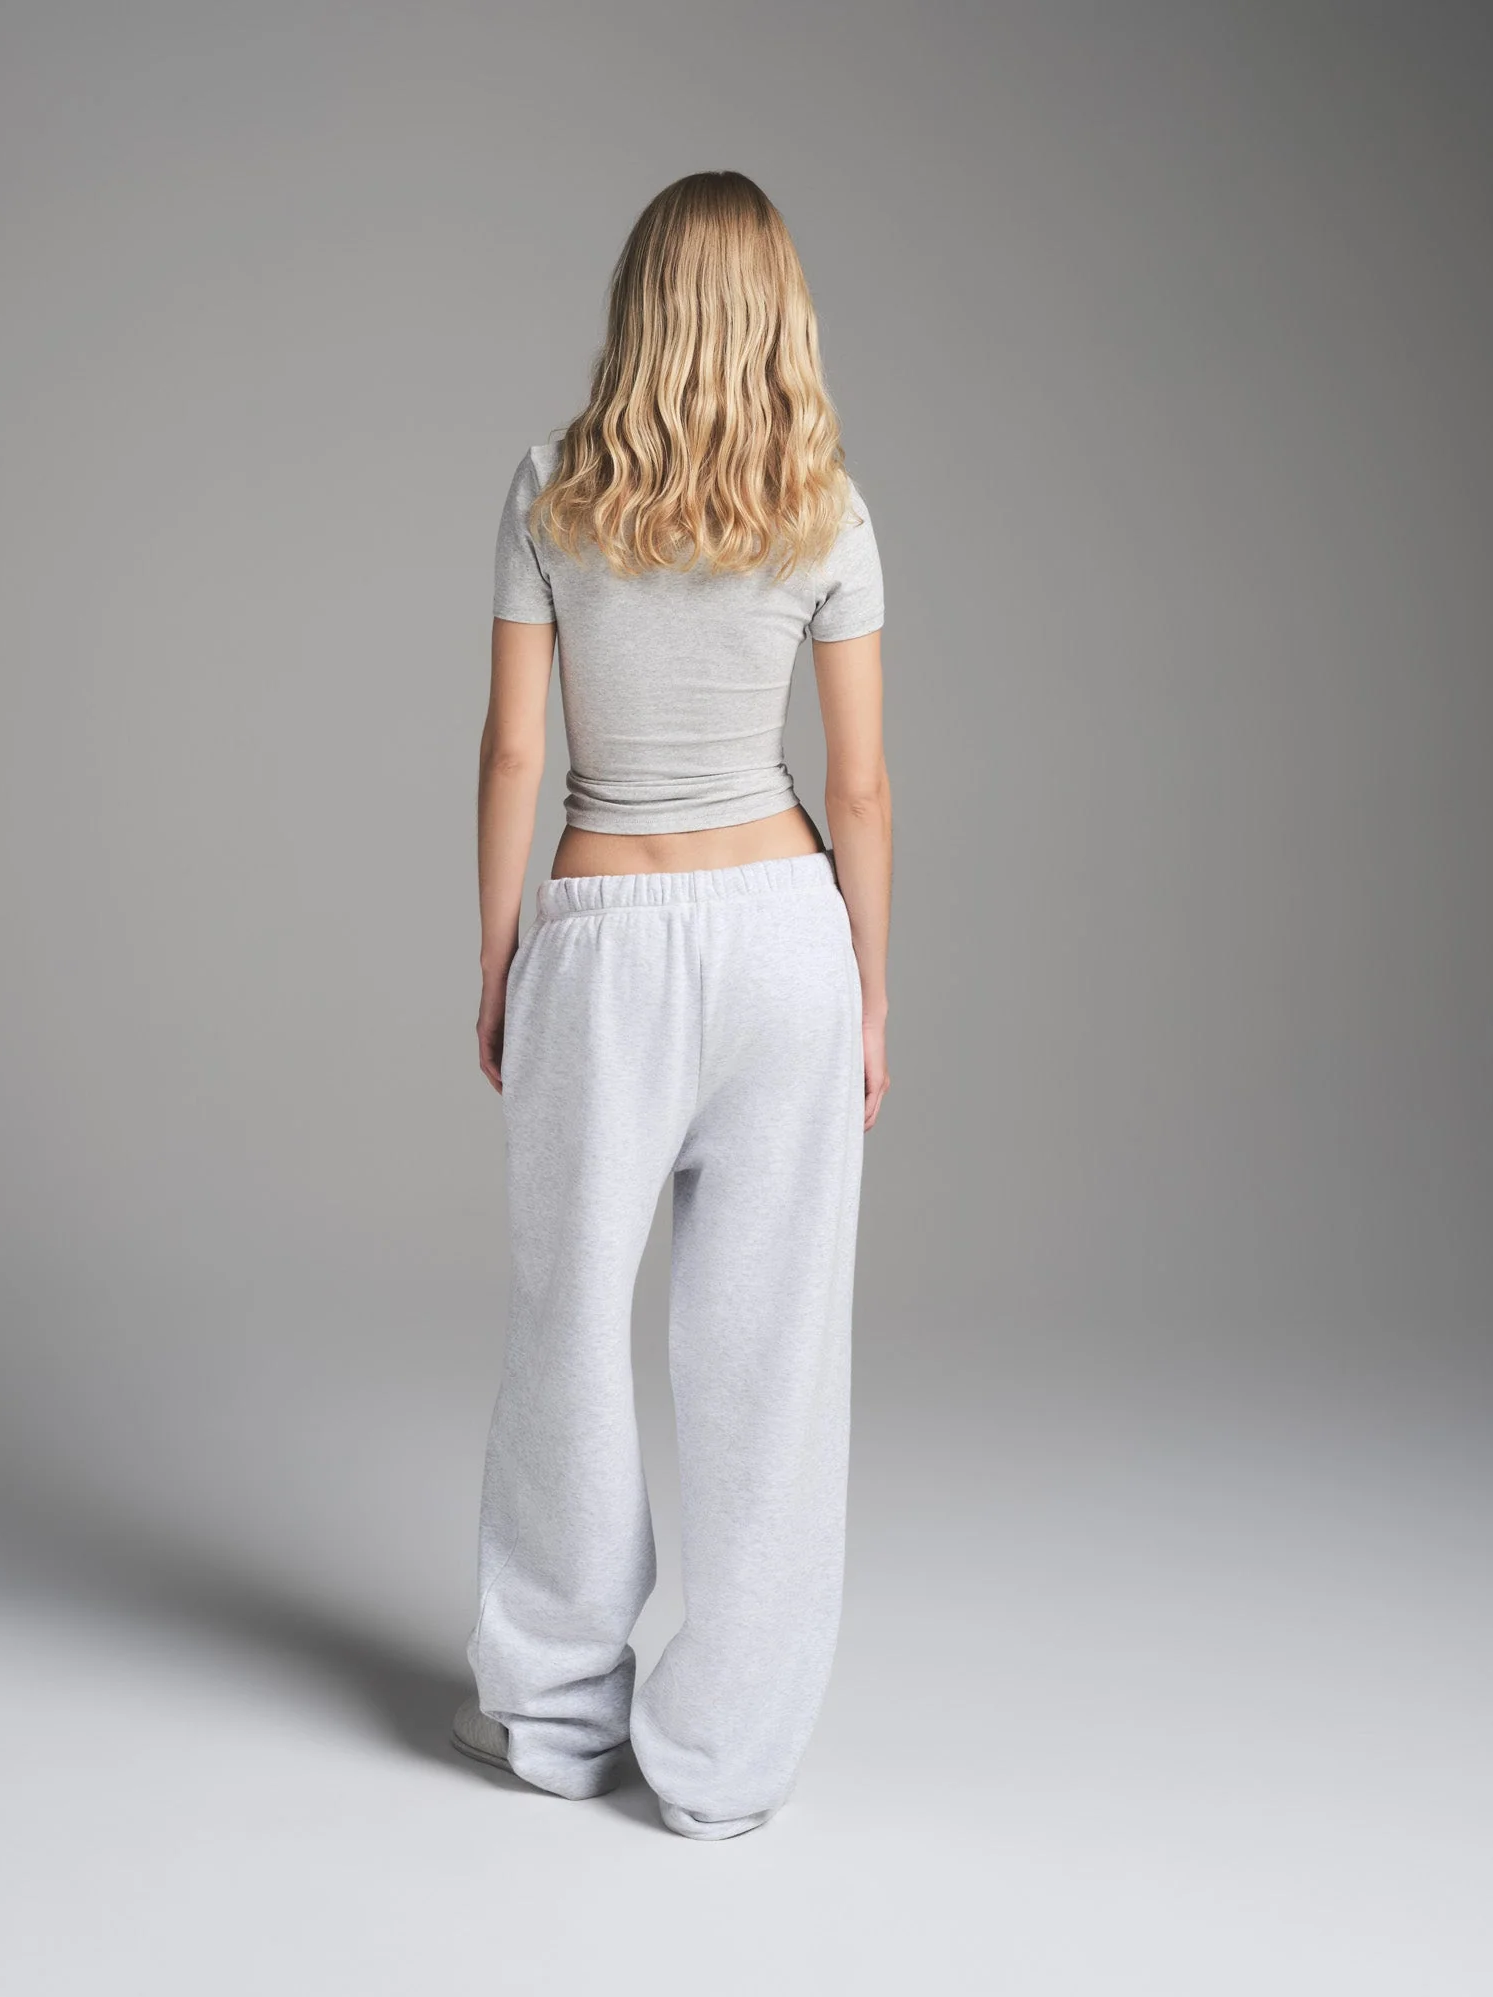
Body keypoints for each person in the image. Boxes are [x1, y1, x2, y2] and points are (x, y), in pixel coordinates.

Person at [455, 170, 892, 1841]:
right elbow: (862, 791)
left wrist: (499, 957)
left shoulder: (551, 491)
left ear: (638, 302)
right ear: (783, 310)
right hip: (786, 936)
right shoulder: (827, 509)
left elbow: (515, 750)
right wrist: (871, 998)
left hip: (604, 937)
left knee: (568, 1329)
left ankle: (558, 1723)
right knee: (771, 1356)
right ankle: (723, 1769)